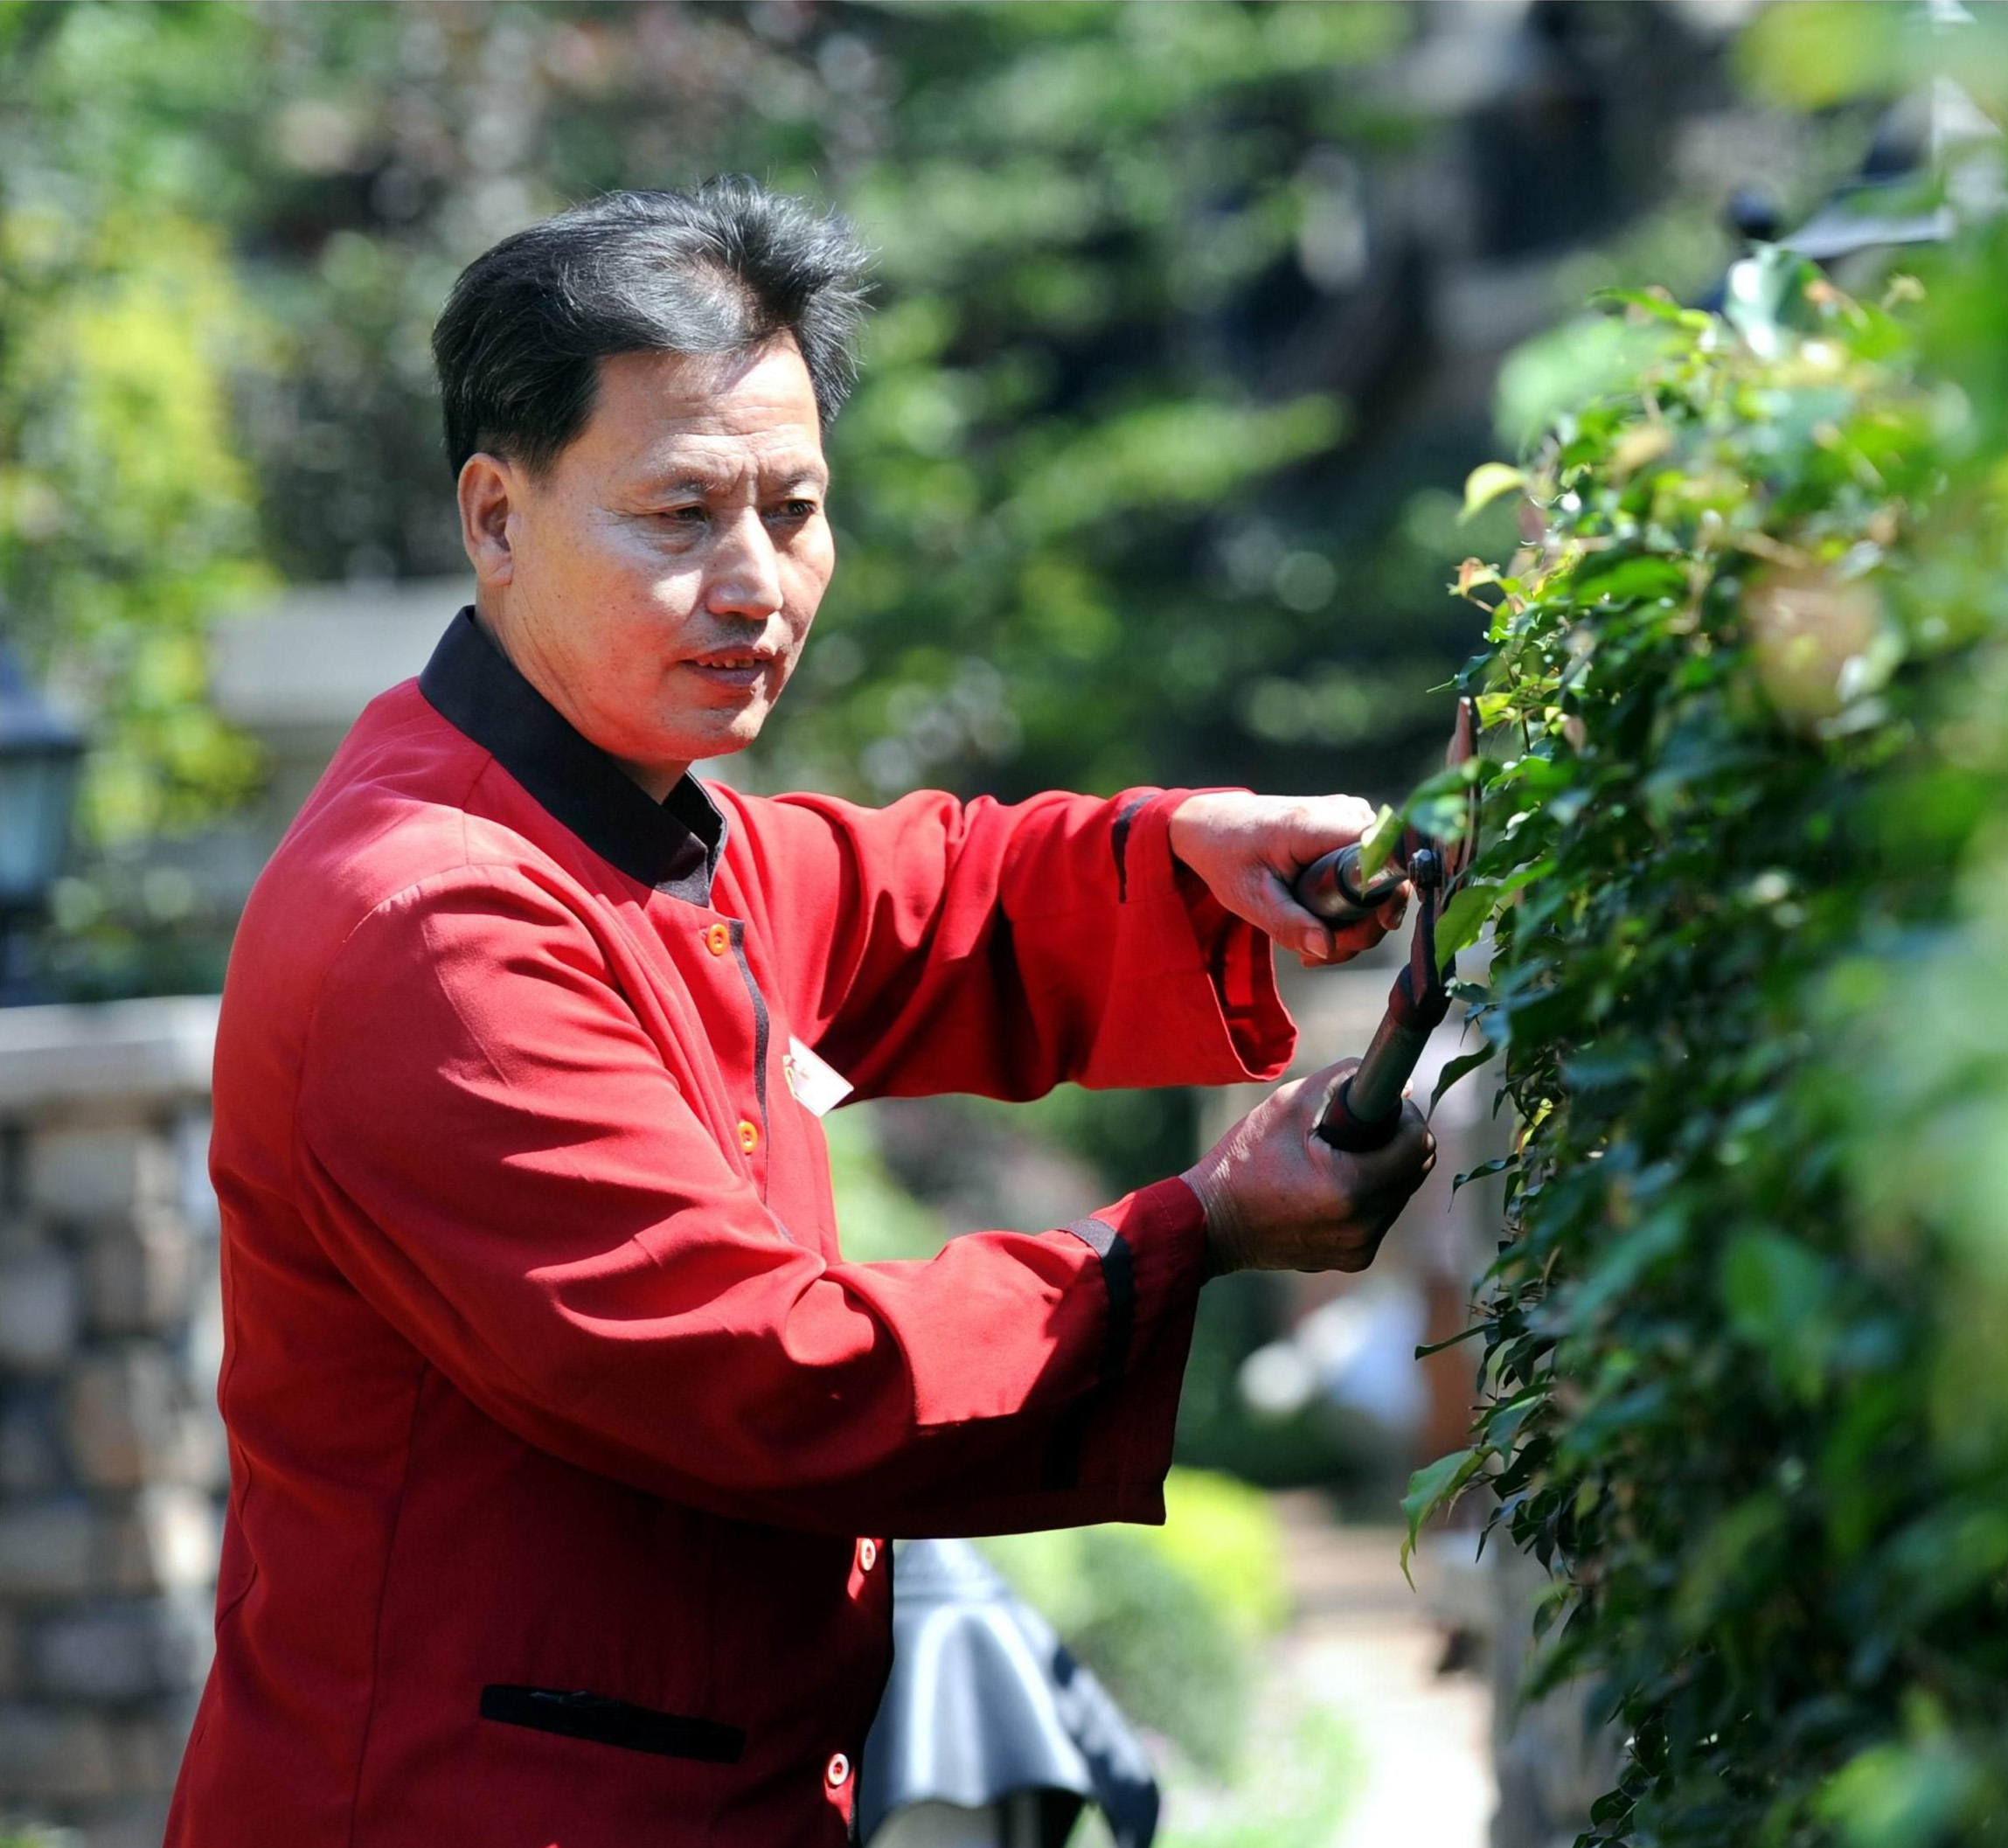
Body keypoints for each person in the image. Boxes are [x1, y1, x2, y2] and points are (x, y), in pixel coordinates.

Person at [163, 178, 1435, 1845]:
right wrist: (1188, 1233)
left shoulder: (628, 817)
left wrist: (1198, 857)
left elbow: (930, 902)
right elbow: (770, 1373)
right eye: (681, 514)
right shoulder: (432, 921)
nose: (756, 580)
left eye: (795, 507)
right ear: (495, 517)